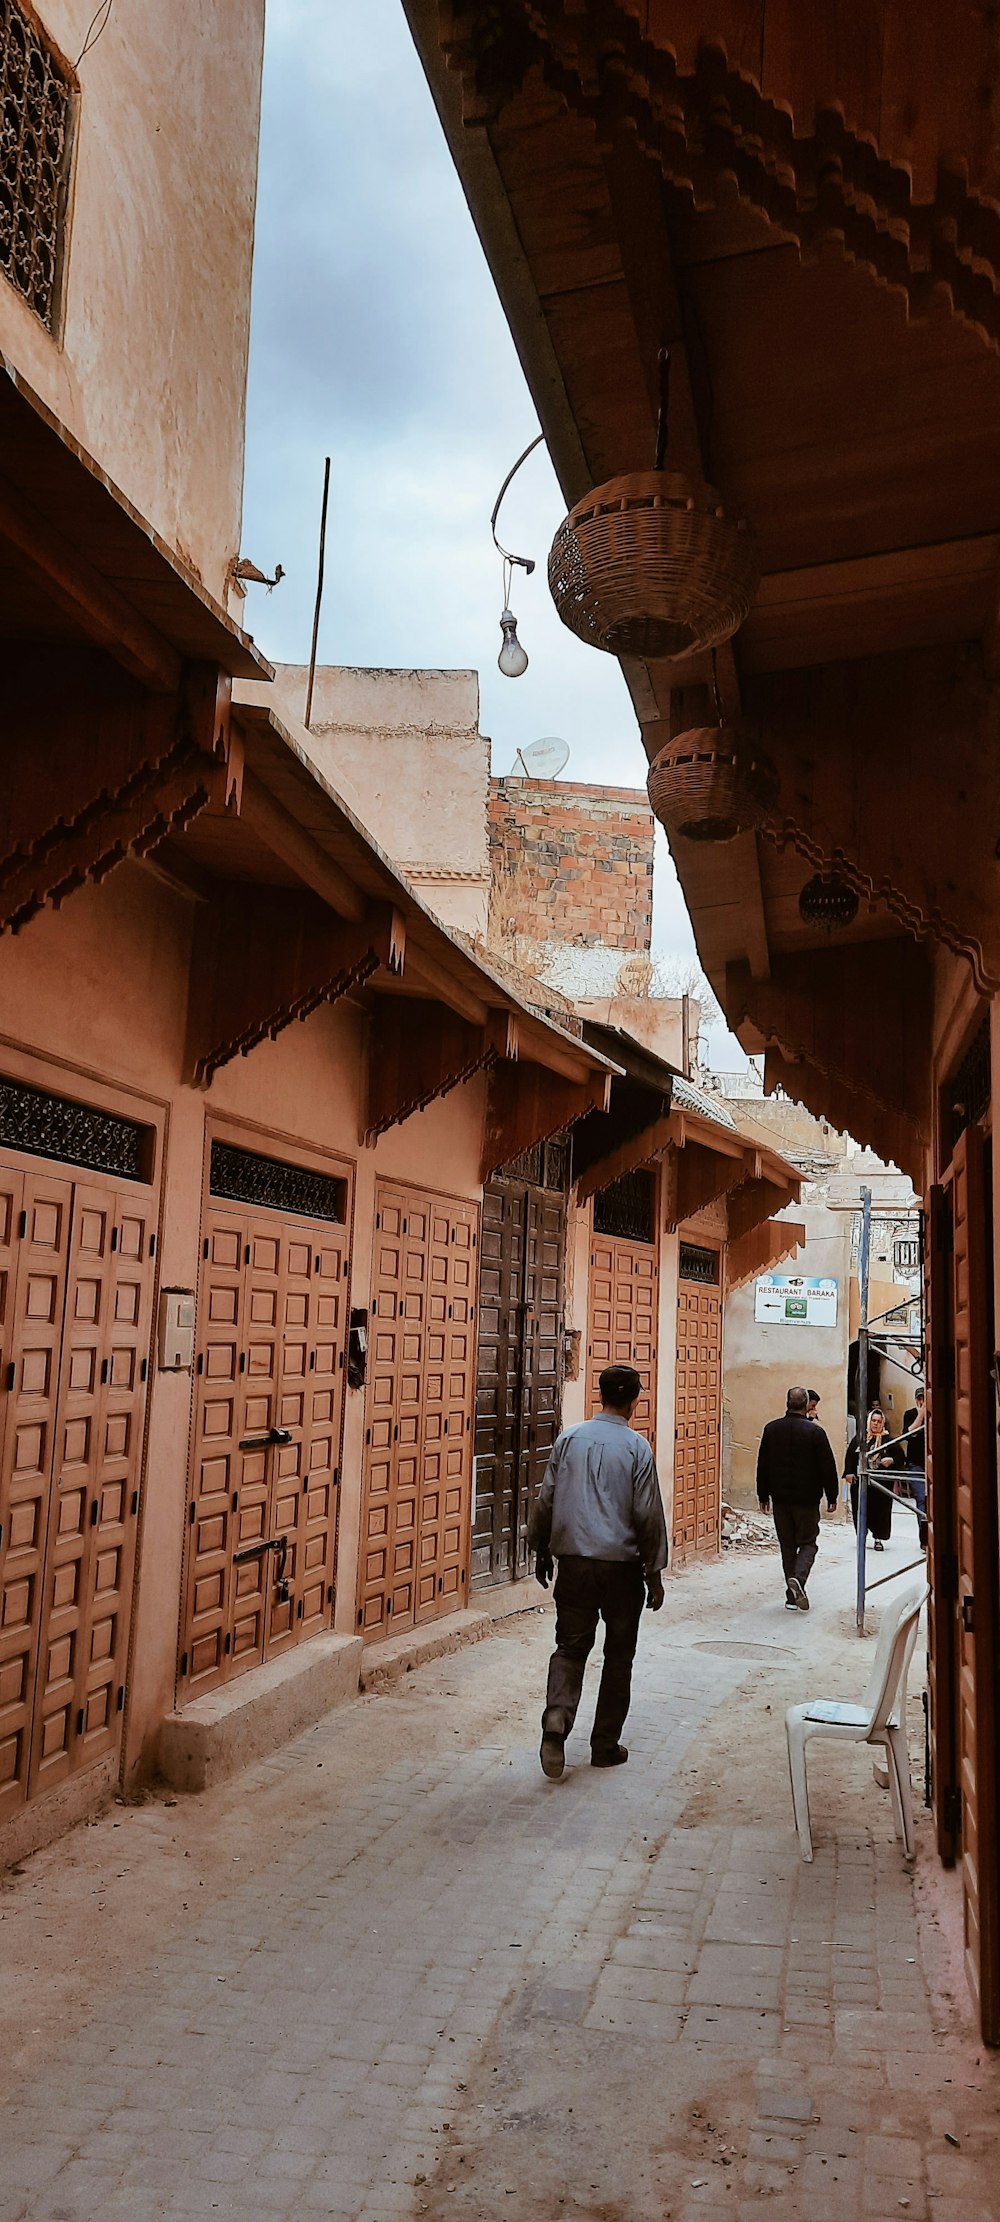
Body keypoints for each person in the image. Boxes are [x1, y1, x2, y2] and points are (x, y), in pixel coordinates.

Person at [529, 1362, 668, 1780]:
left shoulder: (568, 1439)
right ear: (635, 1400)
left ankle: (557, 1717)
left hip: (574, 1564)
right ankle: (604, 1746)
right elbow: (648, 1515)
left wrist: (540, 1549)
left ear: (600, 1395)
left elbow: (547, 1498)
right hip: (622, 1569)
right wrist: (654, 1571)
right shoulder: (637, 1448)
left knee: (570, 1647)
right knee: (618, 1656)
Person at [756, 1385, 839, 1611]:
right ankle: (798, 1581)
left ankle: (792, 1596)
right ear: (806, 1405)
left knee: (788, 1547)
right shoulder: (815, 1433)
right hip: (807, 1501)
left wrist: (763, 1494)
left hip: (781, 1500)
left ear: (787, 1403)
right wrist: (833, 1495)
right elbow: (827, 1467)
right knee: (808, 1544)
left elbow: (762, 1464)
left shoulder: (771, 1429)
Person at [844, 1406, 905, 1549]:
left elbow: (900, 1457)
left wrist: (892, 1460)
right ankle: (861, 1536)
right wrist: (849, 1472)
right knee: (860, 1509)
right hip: (862, 1483)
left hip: (881, 1484)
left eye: (879, 1421)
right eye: (873, 1421)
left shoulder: (888, 1440)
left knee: (881, 1512)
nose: (876, 1424)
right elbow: (851, 1456)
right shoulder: (861, 1438)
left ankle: (878, 1538)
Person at [901, 1385, 928, 1551]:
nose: (921, 1401)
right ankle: (924, 1539)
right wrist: (921, 1416)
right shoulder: (910, 1414)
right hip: (916, 1465)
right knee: (921, 1500)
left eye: (924, 1398)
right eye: (919, 1399)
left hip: (933, 1464)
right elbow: (909, 1434)